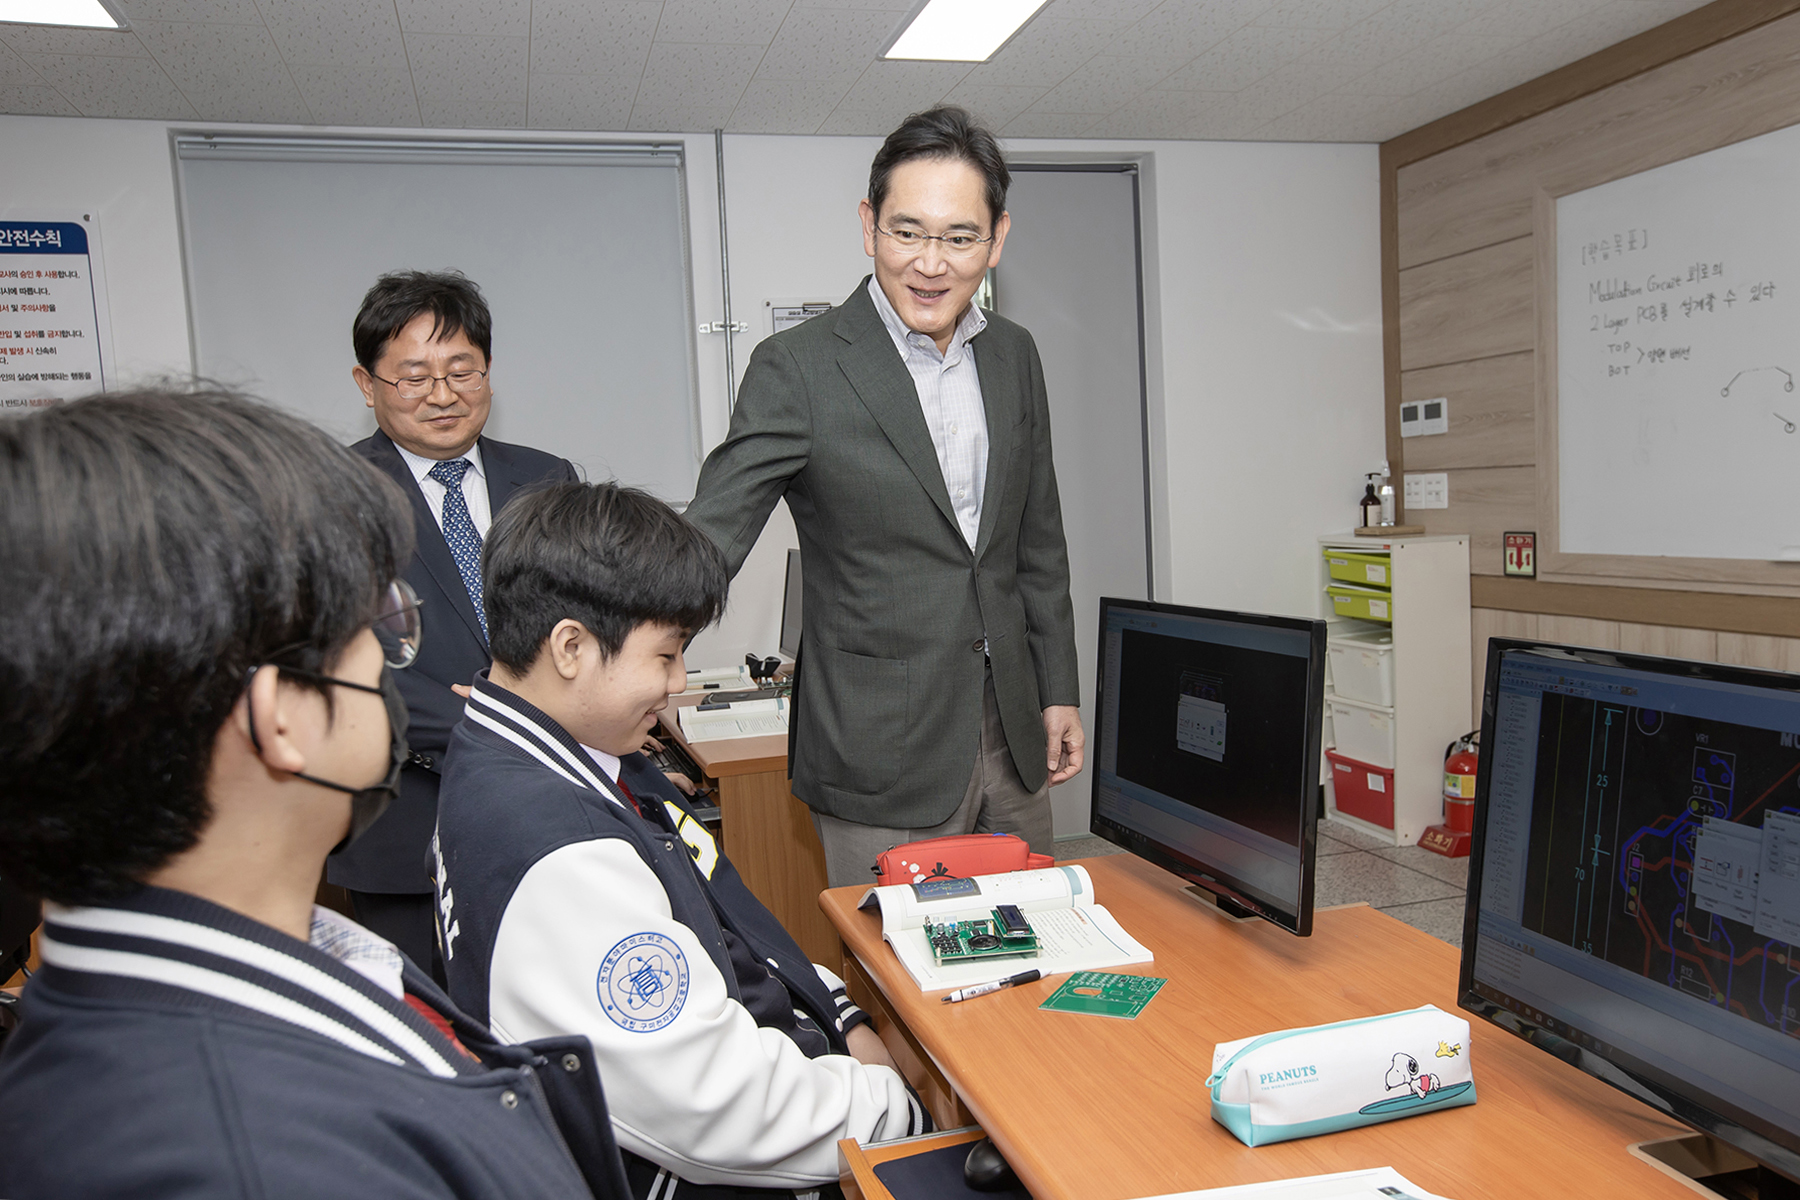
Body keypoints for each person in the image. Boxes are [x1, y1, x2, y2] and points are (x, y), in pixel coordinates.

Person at [0, 389, 630, 1200]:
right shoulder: (259, 1160)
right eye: (375, 619)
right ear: (282, 717)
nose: (394, 652)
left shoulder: (172, 1007)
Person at [433, 481, 928, 1199]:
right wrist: (898, 1111)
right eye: (666, 656)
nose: (677, 683)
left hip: (792, 1062)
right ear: (570, 646)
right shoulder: (557, 850)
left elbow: (724, 921)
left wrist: (838, 1013)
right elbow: (719, 1108)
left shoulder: (550, 757)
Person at [685, 105, 1084, 887]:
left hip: (1010, 731)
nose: (931, 263)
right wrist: (607, 642)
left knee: (1034, 953)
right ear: (869, 226)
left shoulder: (1013, 354)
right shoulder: (796, 366)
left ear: (997, 239)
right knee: (896, 974)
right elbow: (710, 537)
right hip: (878, 747)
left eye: (960, 237)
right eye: (908, 231)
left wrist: (1059, 688)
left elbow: (1037, 543)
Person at [331, 269, 577, 976]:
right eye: (413, 376)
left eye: (461, 370)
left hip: (547, 811)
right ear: (366, 383)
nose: (443, 394)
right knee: (433, 1040)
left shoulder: (547, 479)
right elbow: (334, 664)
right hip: (407, 821)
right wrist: (506, 717)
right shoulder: (334, 499)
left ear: (488, 373)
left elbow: (589, 625)